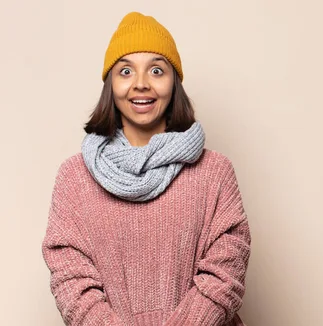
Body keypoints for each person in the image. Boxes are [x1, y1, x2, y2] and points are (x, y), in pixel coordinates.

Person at [41, 12, 251, 326]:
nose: (141, 84)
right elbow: (70, 277)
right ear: (111, 84)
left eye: (156, 70)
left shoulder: (214, 172)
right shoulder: (75, 177)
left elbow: (227, 266)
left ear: (174, 82)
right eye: (126, 71)